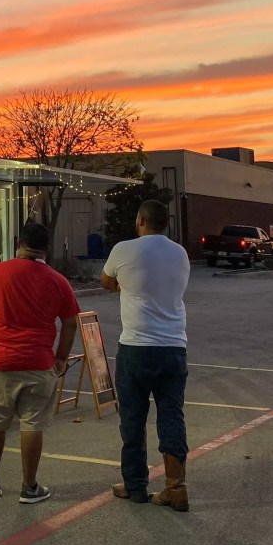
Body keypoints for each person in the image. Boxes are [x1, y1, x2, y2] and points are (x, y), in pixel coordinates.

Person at [0, 223, 79, 504]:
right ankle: (29, 487)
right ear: (47, 248)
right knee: (32, 426)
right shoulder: (58, 280)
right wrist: (60, 358)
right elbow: (69, 323)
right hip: (39, 364)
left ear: (19, 243)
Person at [101, 199, 192, 511]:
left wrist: (127, 286)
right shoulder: (180, 253)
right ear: (164, 223)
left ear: (140, 220)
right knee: (171, 415)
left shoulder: (124, 249)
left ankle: (135, 485)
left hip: (137, 348)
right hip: (173, 347)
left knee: (133, 418)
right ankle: (175, 487)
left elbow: (106, 281)